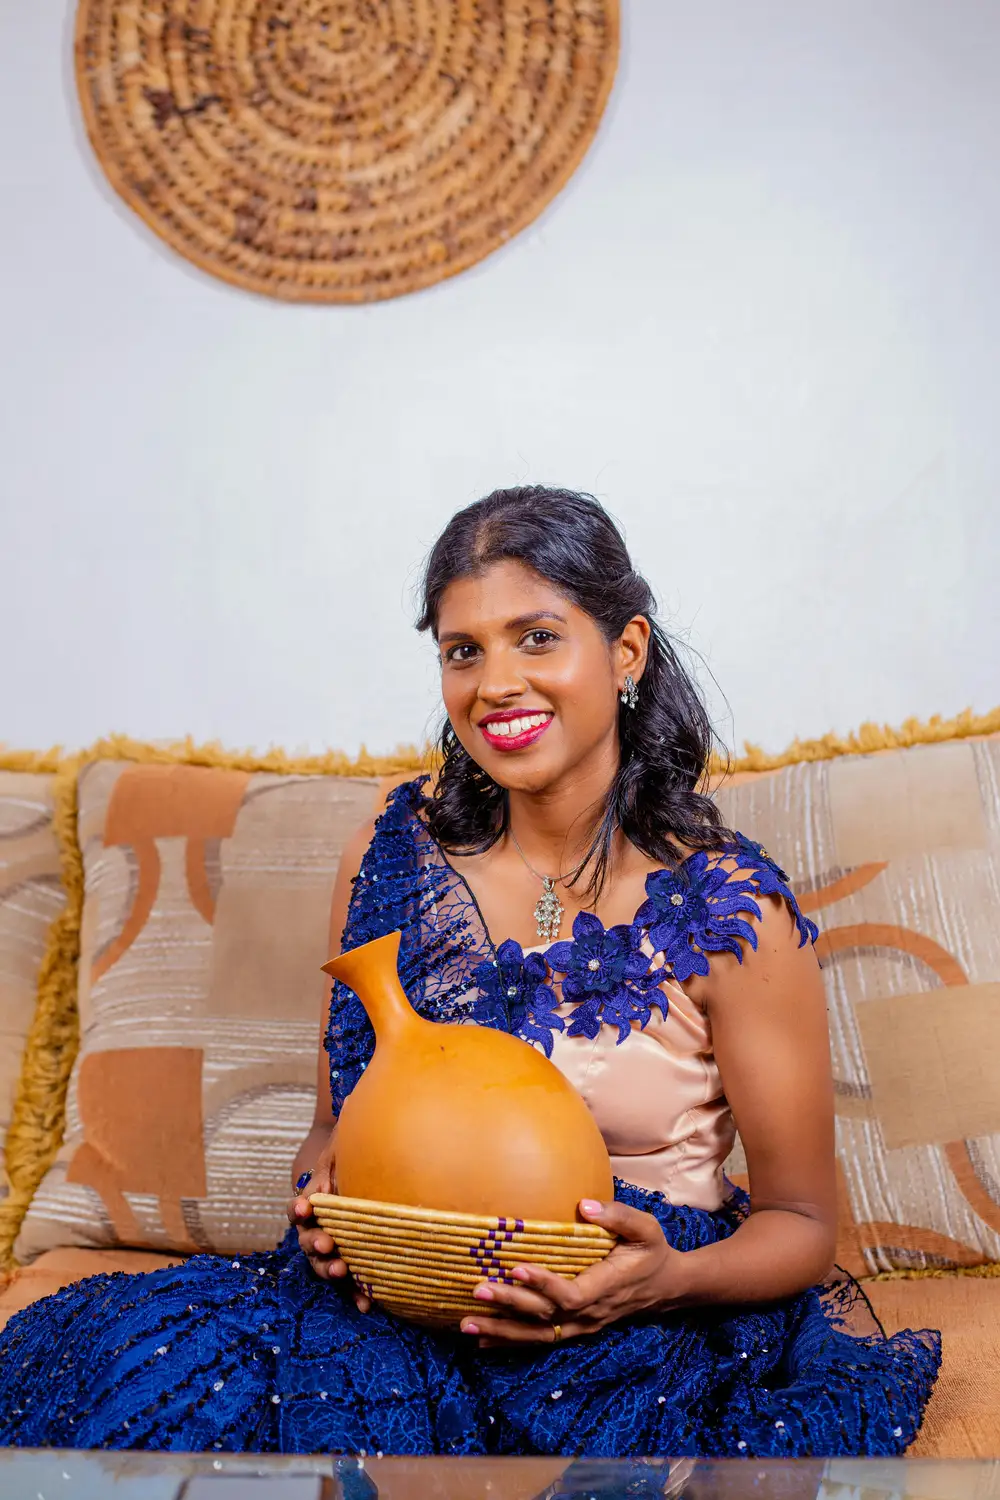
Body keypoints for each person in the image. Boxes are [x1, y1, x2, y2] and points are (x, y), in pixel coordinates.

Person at [0, 486, 939, 1456]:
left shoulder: (728, 910)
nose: (495, 682)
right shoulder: (397, 845)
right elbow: (333, 1125)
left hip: (624, 1319)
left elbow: (799, 1221)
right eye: (463, 650)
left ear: (625, 651)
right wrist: (328, 1204)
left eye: (536, 637)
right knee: (157, 1381)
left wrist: (664, 1282)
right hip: (391, 1300)